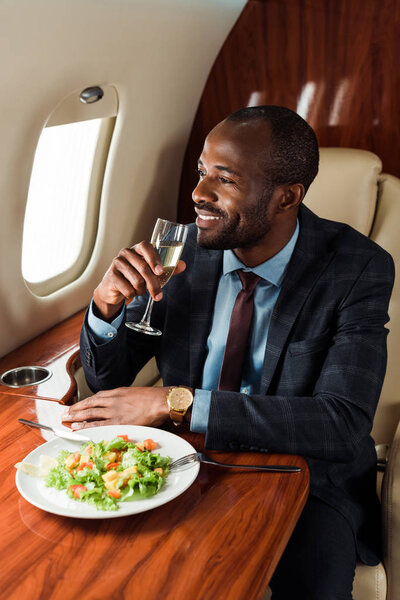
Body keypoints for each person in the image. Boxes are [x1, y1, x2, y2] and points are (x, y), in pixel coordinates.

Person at [63, 106, 394, 599]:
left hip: (305, 474)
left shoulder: (357, 268)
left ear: (287, 197)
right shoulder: (184, 254)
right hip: (185, 456)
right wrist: (106, 307)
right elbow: (108, 378)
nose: (198, 193)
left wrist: (176, 401)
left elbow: (341, 421)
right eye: (201, 172)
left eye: (225, 178)